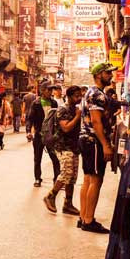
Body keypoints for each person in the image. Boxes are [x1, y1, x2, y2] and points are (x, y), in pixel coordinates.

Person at [78, 62, 118, 234]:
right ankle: (88, 220)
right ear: (99, 74)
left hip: (87, 140)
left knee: (88, 178)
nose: (111, 75)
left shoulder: (91, 92)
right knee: (96, 179)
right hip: (93, 141)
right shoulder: (97, 95)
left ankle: (83, 217)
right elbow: (96, 121)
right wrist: (105, 145)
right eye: (108, 73)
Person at [43, 85, 83, 215]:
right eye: (76, 96)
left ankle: (68, 204)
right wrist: (77, 117)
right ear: (69, 96)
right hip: (63, 146)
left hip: (74, 147)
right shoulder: (63, 109)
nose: (79, 98)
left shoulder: (74, 109)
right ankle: (51, 195)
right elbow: (65, 128)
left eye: (80, 95)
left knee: (72, 177)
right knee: (66, 173)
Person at [25, 83, 60, 186]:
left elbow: (57, 119)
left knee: (55, 158)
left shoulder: (54, 103)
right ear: (42, 90)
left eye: (51, 90)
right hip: (39, 135)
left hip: (51, 135)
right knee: (37, 158)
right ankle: (37, 178)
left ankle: (56, 179)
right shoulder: (36, 103)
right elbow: (30, 119)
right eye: (48, 90)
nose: (50, 92)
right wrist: (28, 131)